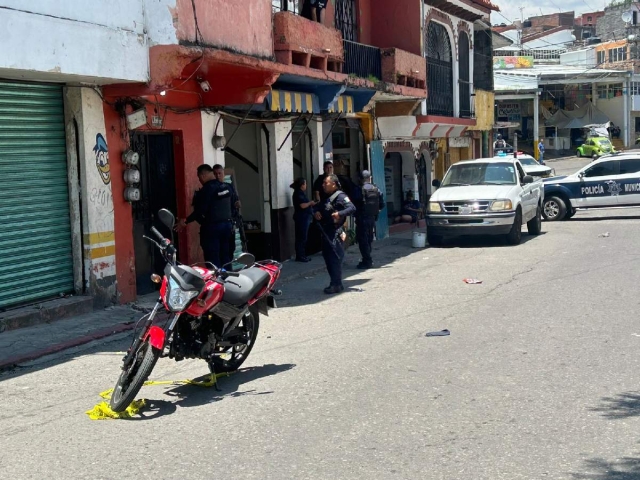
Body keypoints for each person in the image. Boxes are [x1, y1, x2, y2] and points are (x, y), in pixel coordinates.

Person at [175, 164, 240, 268]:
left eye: (199, 177)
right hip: (228, 227)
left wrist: (185, 221)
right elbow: (235, 207)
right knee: (226, 257)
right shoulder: (228, 187)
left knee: (213, 260)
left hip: (212, 229)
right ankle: (227, 279)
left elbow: (200, 211)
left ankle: (217, 281)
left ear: (203, 175)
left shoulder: (206, 190)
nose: (200, 180)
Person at [313, 174, 356, 294]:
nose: (323, 185)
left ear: (333, 184)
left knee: (334, 259)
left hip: (335, 232)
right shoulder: (327, 196)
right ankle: (334, 282)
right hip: (326, 231)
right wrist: (316, 212)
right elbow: (318, 207)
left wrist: (339, 214)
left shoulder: (341, 196)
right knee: (328, 258)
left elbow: (352, 208)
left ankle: (337, 284)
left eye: (325, 183)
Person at [353, 170, 384, 270]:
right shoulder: (376, 189)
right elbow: (382, 204)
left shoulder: (359, 189)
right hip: (372, 218)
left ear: (360, 179)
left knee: (363, 240)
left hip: (362, 218)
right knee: (369, 240)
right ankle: (366, 259)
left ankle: (367, 260)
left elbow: (354, 203)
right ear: (370, 178)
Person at [291, 178, 316, 262]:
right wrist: (310, 203)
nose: (306, 185)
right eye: (305, 184)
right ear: (302, 185)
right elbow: (302, 205)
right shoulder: (298, 194)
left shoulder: (301, 193)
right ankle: (300, 256)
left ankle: (302, 255)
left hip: (304, 217)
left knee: (302, 237)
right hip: (302, 218)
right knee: (302, 237)